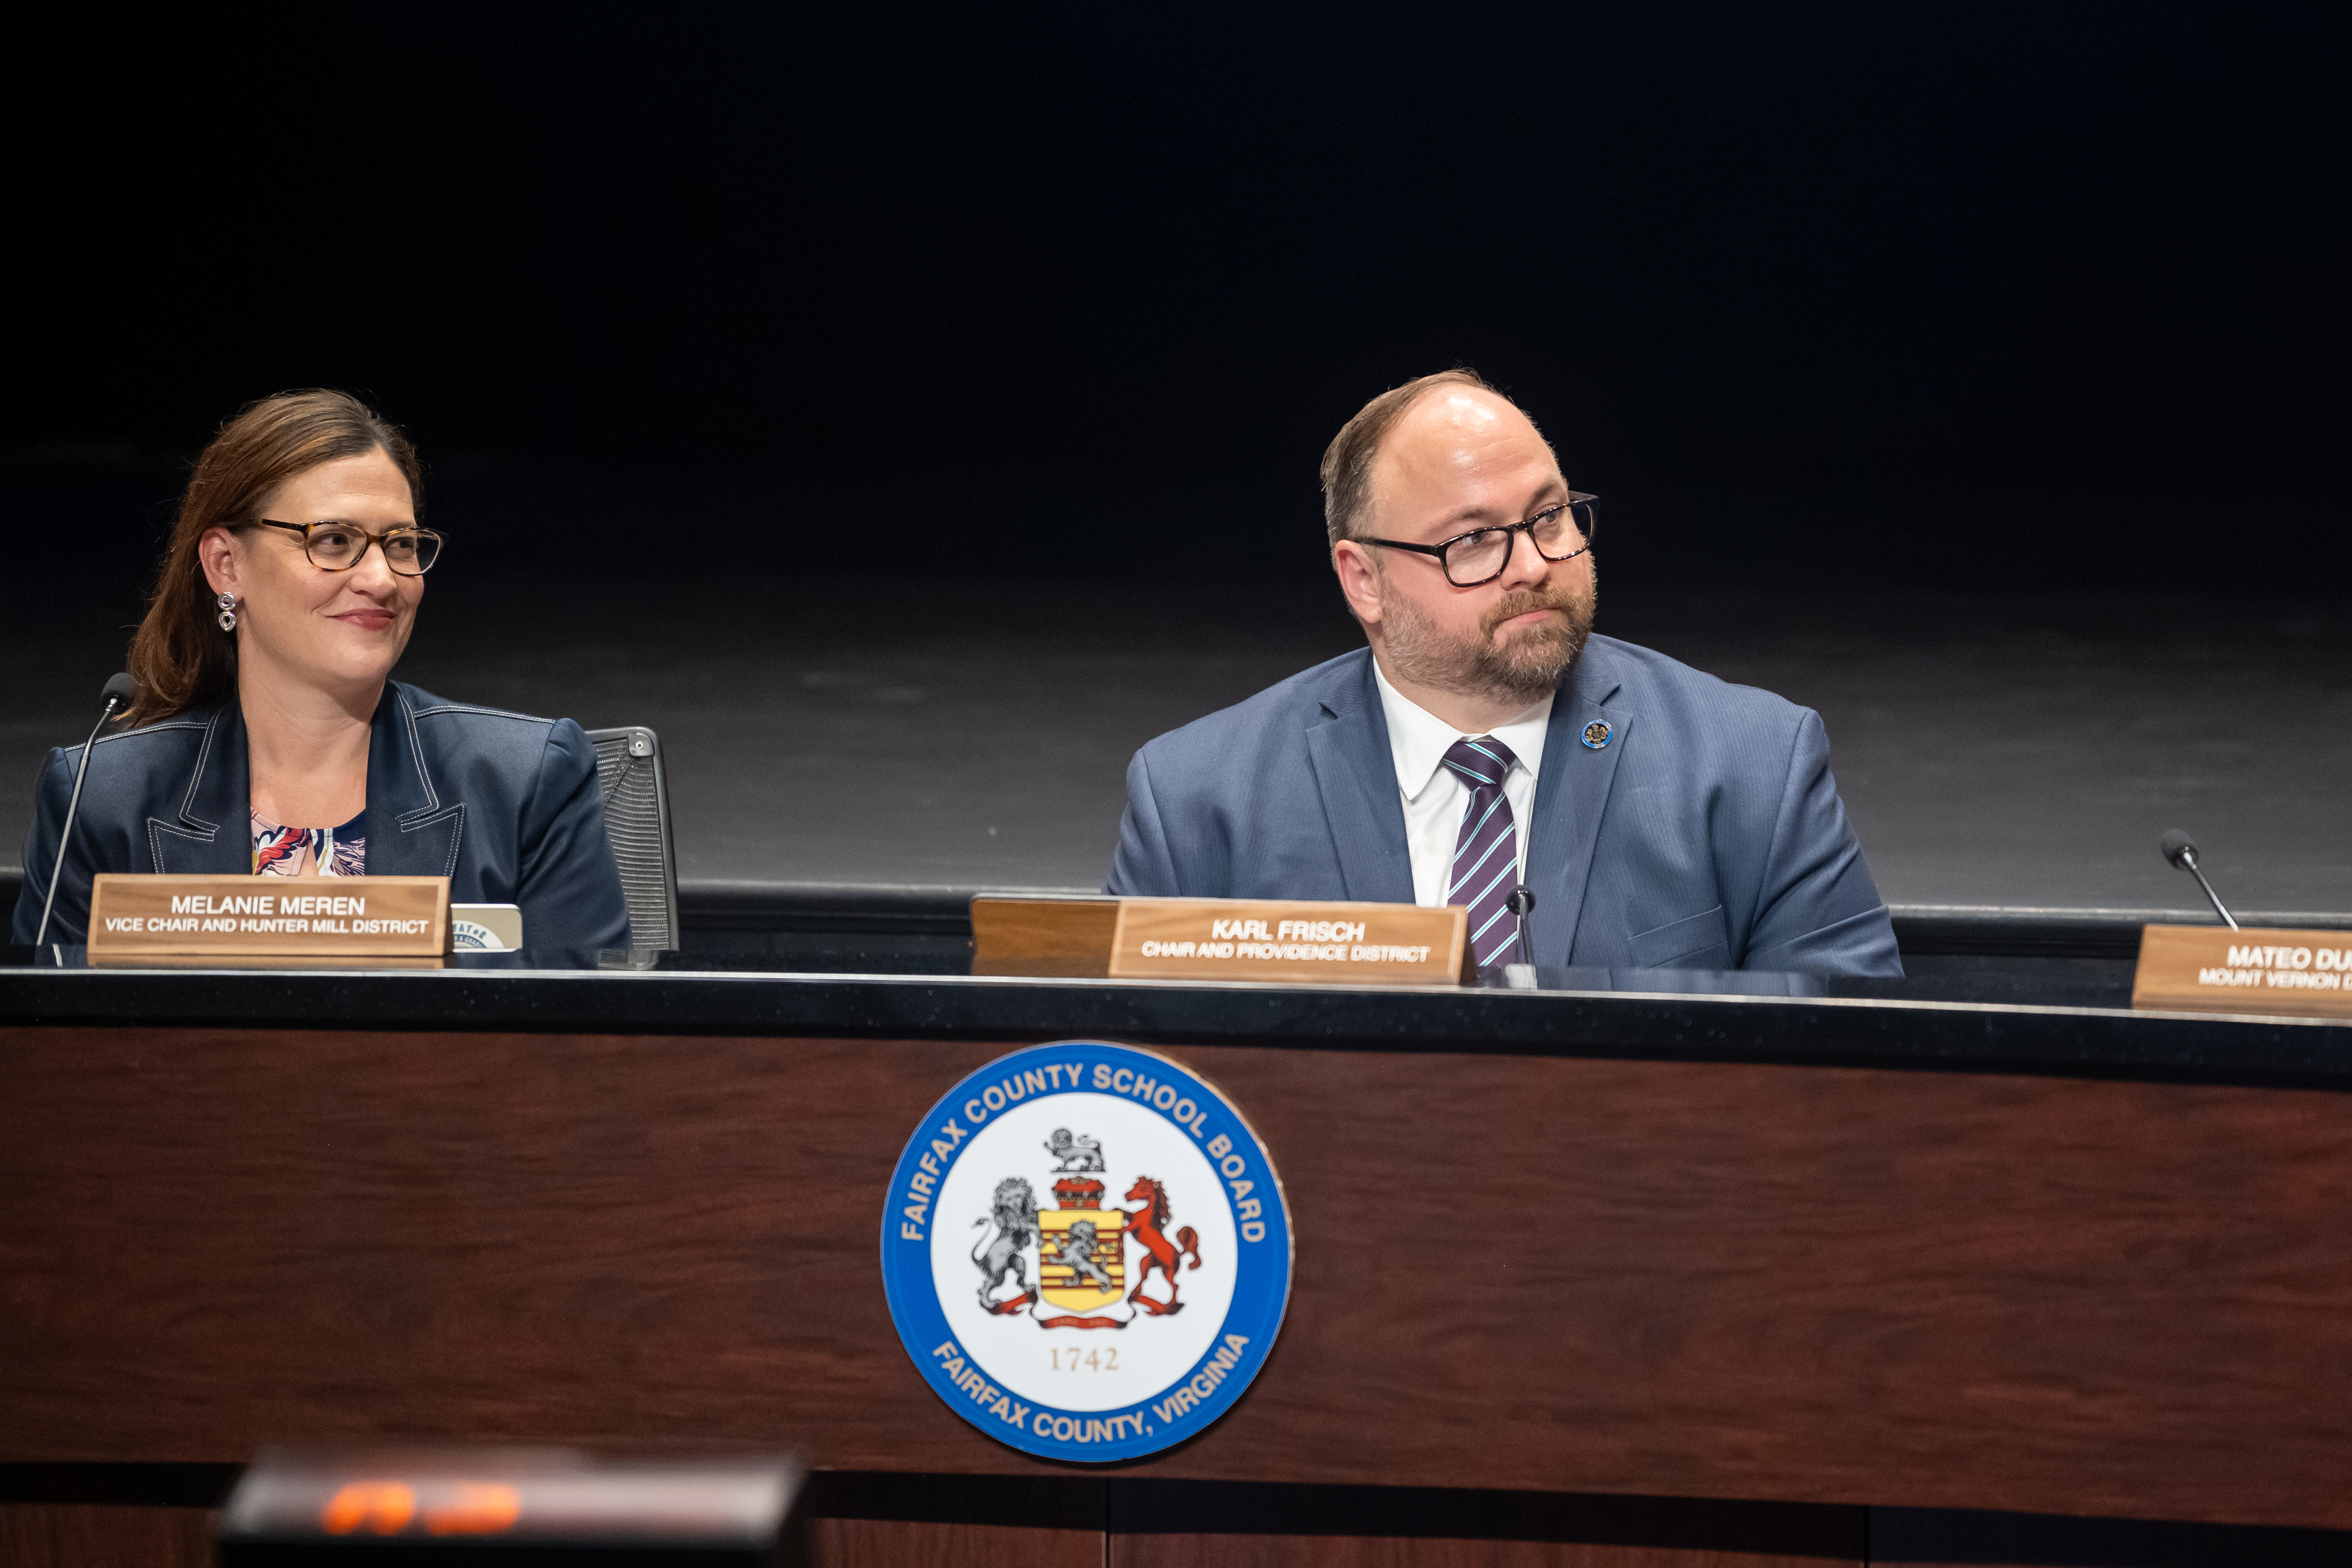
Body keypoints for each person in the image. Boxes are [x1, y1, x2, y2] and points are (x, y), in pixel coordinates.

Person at [1105, 369, 1900, 977]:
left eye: (1548, 516)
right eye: (1473, 540)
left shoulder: (1753, 765)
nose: (1532, 564)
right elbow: (1133, 1086)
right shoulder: (1199, 802)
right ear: (1364, 580)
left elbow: (1857, 1074)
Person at [12, 389, 632, 953]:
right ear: (226, 564)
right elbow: (53, 1035)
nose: (382, 579)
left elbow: (584, 1033)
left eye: (400, 543)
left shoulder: (525, 782)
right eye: (334, 541)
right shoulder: (100, 798)